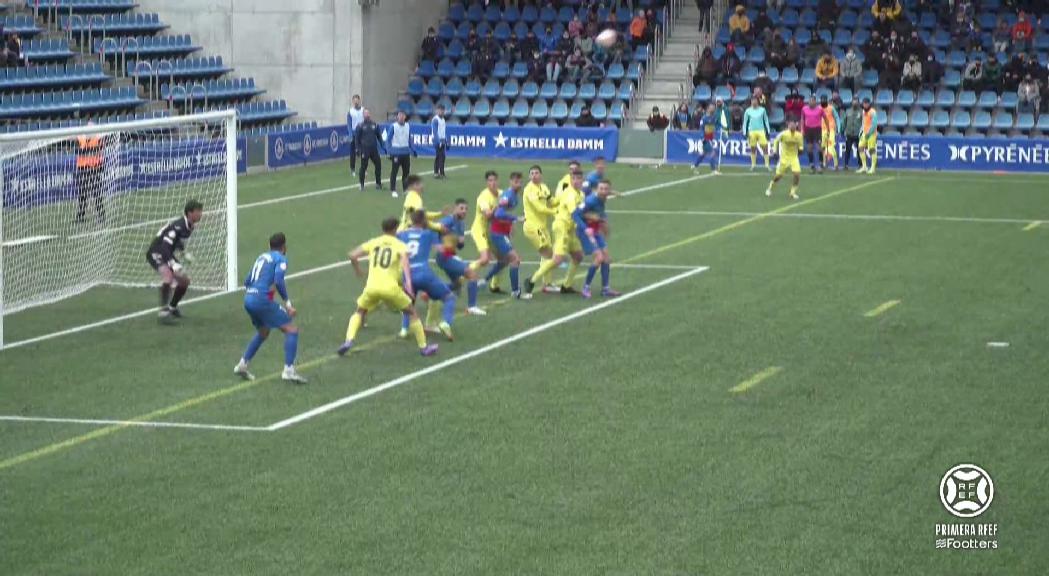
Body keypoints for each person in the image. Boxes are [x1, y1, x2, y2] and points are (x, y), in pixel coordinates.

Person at [338, 217, 438, 357]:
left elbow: (352, 255)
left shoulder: (374, 242)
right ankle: (424, 348)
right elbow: (405, 265)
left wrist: (358, 271)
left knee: (360, 311)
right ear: (395, 229)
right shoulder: (399, 245)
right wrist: (409, 285)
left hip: (372, 287)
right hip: (390, 288)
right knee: (412, 313)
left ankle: (349, 340)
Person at [234, 233, 306, 384]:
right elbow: (279, 280)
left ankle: (242, 365)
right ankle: (289, 370)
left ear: (269, 246)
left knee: (263, 331)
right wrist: (288, 303)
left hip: (249, 299)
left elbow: (247, 281)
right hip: (261, 300)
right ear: (284, 247)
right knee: (291, 330)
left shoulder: (261, 257)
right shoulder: (280, 258)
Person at [397, 210, 457, 341]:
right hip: (423, 272)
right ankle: (446, 323)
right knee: (449, 297)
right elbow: (440, 249)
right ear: (424, 220)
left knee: (408, 302)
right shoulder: (429, 234)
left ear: (411, 221)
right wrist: (451, 247)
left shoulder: (402, 235)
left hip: (407, 274)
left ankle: (404, 329)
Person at [146, 200, 202, 322]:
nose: (200, 214)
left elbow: (177, 240)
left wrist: (183, 253)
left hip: (166, 252)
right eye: (198, 211)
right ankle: (163, 313)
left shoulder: (189, 226)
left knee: (184, 282)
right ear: (189, 213)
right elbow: (165, 245)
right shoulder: (179, 225)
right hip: (156, 251)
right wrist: (173, 263)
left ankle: (172, 307)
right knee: (168, 276)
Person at [434, 199, 486, 317]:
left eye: (466, 209)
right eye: (461, 208)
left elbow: (460, 246)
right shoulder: (448, 220)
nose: (464, 211)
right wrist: (437, 244)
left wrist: (460, 242)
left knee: (457, 284)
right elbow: (434, 230)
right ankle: (472, 307)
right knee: (472, 274)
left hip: (450, 256)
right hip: (444, 256)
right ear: (455, 208)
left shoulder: (461, 224)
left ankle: (431, 292)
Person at [573, 180, 620, 299]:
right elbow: (575, 214)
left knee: (607, 258)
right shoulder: (591, 200)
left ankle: (605, 289)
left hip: (595, 231)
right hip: (586, 232)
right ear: (597, 189)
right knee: (599, 258)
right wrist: (585, 228)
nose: (603, 191)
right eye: (601, 188)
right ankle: (586, 288)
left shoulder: (603, 197)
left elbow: (598, 214)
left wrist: (603, 222)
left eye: (606, 189)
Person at [486, 172, 530, 299]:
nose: (518, 184)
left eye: (520, 182)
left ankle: (483, 281)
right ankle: (516, 292)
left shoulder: (514, 195)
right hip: (497, 232)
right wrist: (516, 218)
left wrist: (511, 225)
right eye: (516, 182)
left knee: (505, 261)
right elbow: (499, 214)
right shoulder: (508, 195)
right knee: (515, 260)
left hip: (502, 231)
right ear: (511, 182)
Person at [522, 165, 559, 296]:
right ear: (529, 176)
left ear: (541, 175)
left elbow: (552, 201)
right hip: (533, 227)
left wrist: (562, 201)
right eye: (531, 173)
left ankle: (547, 284)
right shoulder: (529, 190)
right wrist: (556, 212)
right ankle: (532, 281)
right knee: (550, 254)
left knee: (547, 255)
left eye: (536, 173)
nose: (534, 175)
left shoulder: (544, 187)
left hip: (542, 227)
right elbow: (539, 208)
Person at [550, 170, 586, 294]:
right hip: (562, 226)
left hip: (571, 229)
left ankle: (566, 285)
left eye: (578, 178)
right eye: (573, 178)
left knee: (578, 256)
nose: (576, 181)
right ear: (570, 179)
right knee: (558, 258)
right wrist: (585, 227)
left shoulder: (581, 194)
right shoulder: (569, 193)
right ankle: (534, 280)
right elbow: (574, 213)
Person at [472, 171, 502, 292]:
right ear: (486, 182)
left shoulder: (501, 193)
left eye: (494, 180)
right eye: (490, 180)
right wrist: (498, 205)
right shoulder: (483, 197)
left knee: (503, 258)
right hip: (480, 230)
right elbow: (488, 215)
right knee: (485, 259)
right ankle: (462, 275)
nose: (493, 183)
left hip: (492, 231)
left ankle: (494, 286)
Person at [73, 125, 106, 223]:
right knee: (82, 194)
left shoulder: (97, 138)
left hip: (94, 168)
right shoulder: (80, 138)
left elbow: (99, 150)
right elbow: (77, 150)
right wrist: (85, 150)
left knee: (97, 194)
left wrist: (86, 151)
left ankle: (101, 215)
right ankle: (80, 216)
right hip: (83, 168)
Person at [766, 118, 803, 201]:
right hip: (784, 158)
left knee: (797, 174)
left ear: (796, 125)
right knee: (778, 176)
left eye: (793, 124)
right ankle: (770, 188)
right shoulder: (783, 134)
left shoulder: (799, 135)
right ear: (788, 125)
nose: (792, 126)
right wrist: (775, 151)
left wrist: (800, 150)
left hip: (794, 158)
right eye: (790, 124)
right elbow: (776, 141)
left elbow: (801, 146)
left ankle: (792, 193)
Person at [353, 108, 385, 191]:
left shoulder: (375, 124)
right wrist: (357, 149)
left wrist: (382, 145)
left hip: (374, 149)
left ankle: (378, 184)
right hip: (365, 149)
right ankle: (361, 185)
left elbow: (379, 136)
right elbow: (357, 138)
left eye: (368, 113)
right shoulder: (360, 126)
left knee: (378, 165)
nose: (367, 115)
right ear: (363, 115)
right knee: (363, 167)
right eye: (365, 113)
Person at [742, 96, 771, 171]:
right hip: (751, 131)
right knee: (753, 148)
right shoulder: (748, 111)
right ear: (751, 102)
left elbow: (766, 120)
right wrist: (745, 132)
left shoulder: (762, 110)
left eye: (755, 101)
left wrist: (768, 131)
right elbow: (745, 122)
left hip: (761, 131)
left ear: (758, 101)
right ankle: (753, 165)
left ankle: (767, 165)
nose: (753, 102)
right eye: (752, 101)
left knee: (765, 147)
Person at [692, 103, 721, 174]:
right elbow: (701, 128)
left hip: (711, 138)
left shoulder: (714, 117)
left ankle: (695, 166)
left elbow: (717, 125)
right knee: (712, 152)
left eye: (714, 107)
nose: (713, 109)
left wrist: (720, 128)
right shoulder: (704, 118)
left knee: (703, 154)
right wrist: (702, 138)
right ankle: (713, 170)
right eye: (711, 107)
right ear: (708, 109)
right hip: (705, 138)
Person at [801, 95, 825, 173]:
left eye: (812, 101)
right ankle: (811, 165)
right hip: (808, 130)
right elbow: (802, 119)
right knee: (809, 148)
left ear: (815, 102)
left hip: (817, 130)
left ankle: (820, 164)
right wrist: (802, 129)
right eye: (810, 100)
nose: (810, 102)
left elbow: (826, 119)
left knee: (819, 148)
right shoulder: (804, 109)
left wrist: (827, 128)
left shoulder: (820, 109)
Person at [857, 98, 879, 175]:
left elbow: (874, 124)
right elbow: (863, 122)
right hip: (864, 133)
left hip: (871, 134)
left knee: (871, 149)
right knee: (860, 147)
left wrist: (869, 133)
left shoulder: (873, 112)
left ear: (869, 104)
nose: (865, 105)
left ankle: (872, 168)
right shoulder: (863, 111)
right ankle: (864, 166)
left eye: (866, 103)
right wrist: (861, 131)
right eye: (864, 103)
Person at [820, 96, 841, 171]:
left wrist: (838, 128)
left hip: (831, 129)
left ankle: (836, 165)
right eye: (822, 99)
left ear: (827, 100)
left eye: (824, 99)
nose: (823, 101)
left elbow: (837, 117)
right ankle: (824, 164)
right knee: (823, 147)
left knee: (831, 146)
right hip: (823, 130)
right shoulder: (819, 108)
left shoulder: (831, 108)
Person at [842, 99, 863, 170]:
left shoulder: (861, 112)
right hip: (849, 133)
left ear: (858, 103)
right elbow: (844, 121)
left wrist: (863, 132)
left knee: (859, 150)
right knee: (847, 150)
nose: (855, 103)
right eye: (854, 101)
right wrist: (842, 130)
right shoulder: (848, 111)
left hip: (858, 134)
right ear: (852, 103)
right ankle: (846, 164)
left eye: (856, 101)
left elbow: (864, 123)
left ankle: (860, 165)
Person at [347, 95, 364, 176]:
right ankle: (352, 169)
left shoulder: (363, 110)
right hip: (354, 134)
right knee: (353, 152)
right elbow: (349, 124)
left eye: (357, 100)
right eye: (354, 100)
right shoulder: (350, 111)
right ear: (352, 101)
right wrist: (350, 135)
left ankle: (364, 168)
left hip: (362, 133)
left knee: (364, 151)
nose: (356, 102)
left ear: (359, 100)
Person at [430, 104, 448, 179]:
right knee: (440, 156)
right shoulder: (435, 120)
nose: (441, 112)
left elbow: (443, 131)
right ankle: (439, 173)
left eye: (442, 110)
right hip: (437, 140)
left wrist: (446, 140)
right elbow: (435, 131)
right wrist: (438, 141)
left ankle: (438, 173)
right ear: (437, 111)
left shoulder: (443, 119)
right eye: (440, 110)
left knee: (441, 156)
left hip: (442, 139)